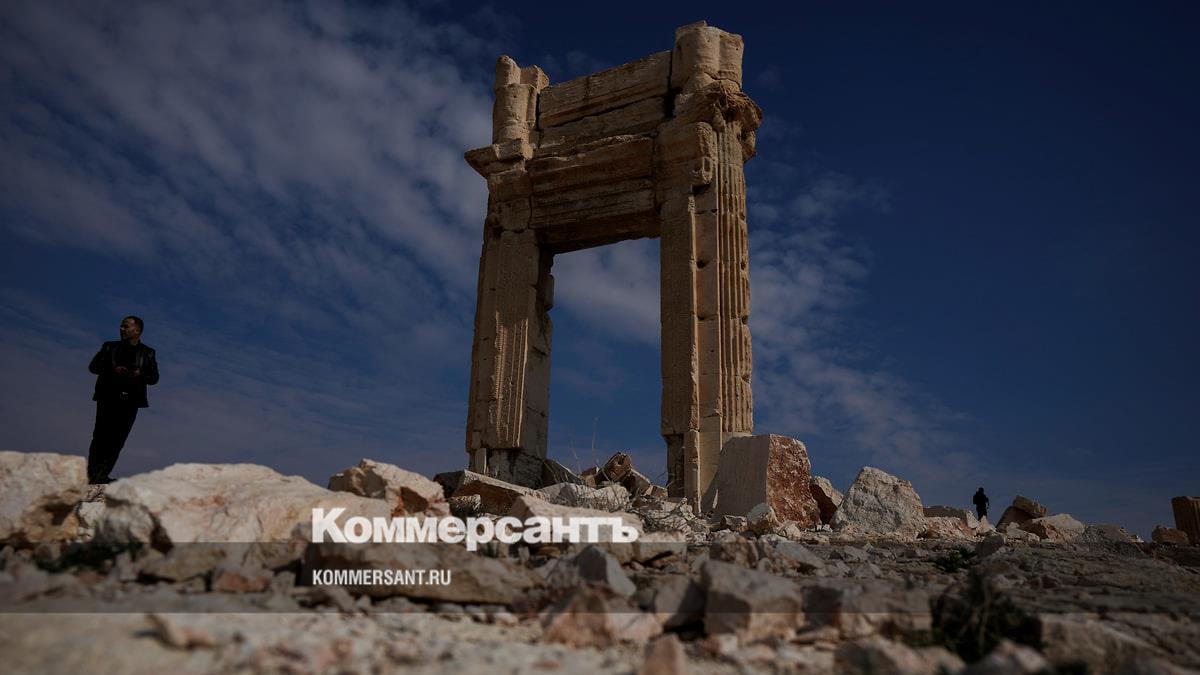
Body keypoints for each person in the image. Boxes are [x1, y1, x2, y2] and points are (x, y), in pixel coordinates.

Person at [86, 315, 159, 485]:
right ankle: (92, 475)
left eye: (126, 326)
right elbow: (93, 367)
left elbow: (154, 378)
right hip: (108, 396)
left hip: (131, 400)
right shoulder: (109, 347)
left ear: (137, 330)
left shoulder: (148, 353)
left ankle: (102, 475)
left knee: (118, 439)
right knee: (101, 436)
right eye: (121, 326)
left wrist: (140, 373)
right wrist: (113, 369)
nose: (122, 329)